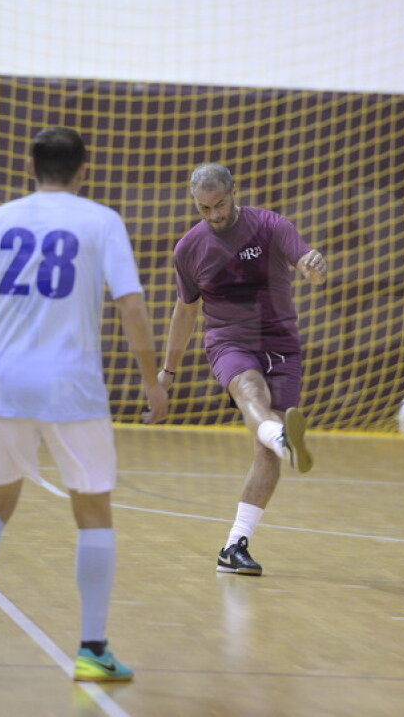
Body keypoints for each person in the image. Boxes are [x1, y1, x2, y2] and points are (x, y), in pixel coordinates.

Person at [0, 127, 168, 682]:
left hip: (5, 382)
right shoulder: (101, 220)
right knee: (92, 511)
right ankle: (91, 649)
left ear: (31, 166)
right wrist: (151, 381)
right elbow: (132, 308)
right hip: (73, 387)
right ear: (83, 170)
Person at [157, 163, 327, 576]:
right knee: (251, 393)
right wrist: (168, 371)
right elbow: (185, 311)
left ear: (235, 191)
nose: (213, 215)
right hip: (229, 341)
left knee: (265, 455)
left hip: (281, 342)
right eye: (203, 209)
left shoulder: (270, 226)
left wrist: (311, 265)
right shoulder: (189, 249)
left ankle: (234, 546)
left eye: (219, 204)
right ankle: (281, 435)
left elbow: (302, 256)